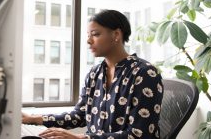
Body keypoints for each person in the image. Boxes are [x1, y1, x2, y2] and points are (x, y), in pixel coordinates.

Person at [22, 9, 163, 139]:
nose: (89, 41)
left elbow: (140, 135)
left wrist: (81, 138)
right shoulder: (94, 73)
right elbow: (79, 116)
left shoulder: (145, 73)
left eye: (95, 34)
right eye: (88, 35)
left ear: (116, 35)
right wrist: (33, 119)